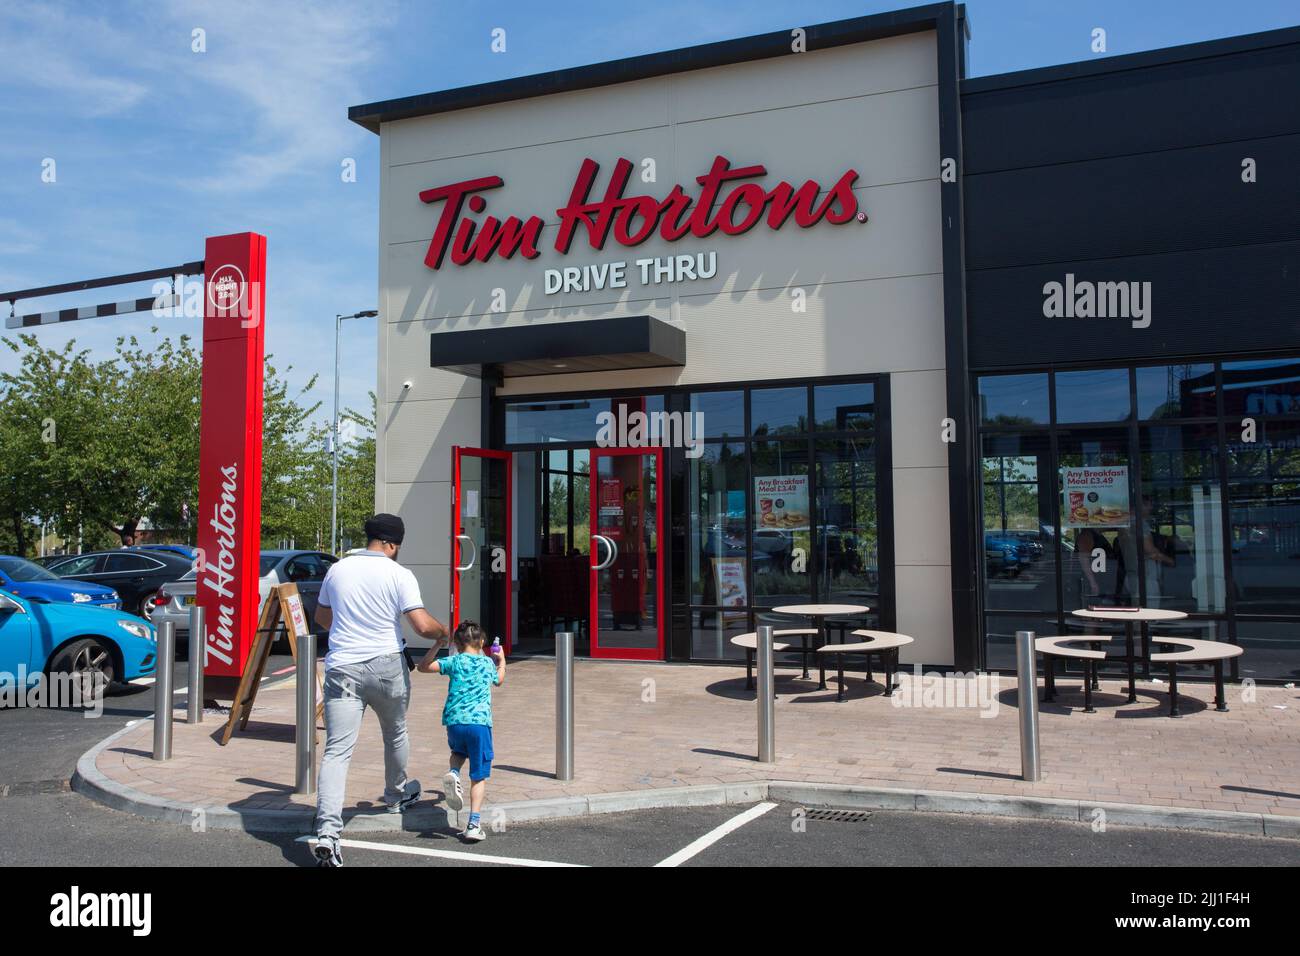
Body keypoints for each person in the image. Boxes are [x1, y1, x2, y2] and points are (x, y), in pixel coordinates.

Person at [311, 513, 448, 868]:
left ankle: (327, 832)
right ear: (391, 544)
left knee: (336, 752)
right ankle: (396, 794)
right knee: (395, 731)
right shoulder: (398, 574)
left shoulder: (338, 569)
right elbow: (420, 623)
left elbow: (323, 619)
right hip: (386, 665)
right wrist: (443, 631)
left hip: (341, 667)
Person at [417, 619, 505, 843]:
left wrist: (438, 644)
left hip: (454, 723)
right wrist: (501, 662)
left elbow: (423, 667)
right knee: (478, 776)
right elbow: (499, 680)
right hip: (479, 724)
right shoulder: (487, 664)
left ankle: (454, 773)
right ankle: (473, 824)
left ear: (456, 643)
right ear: (483, 642)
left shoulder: (454, 661)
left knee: (458, 751)